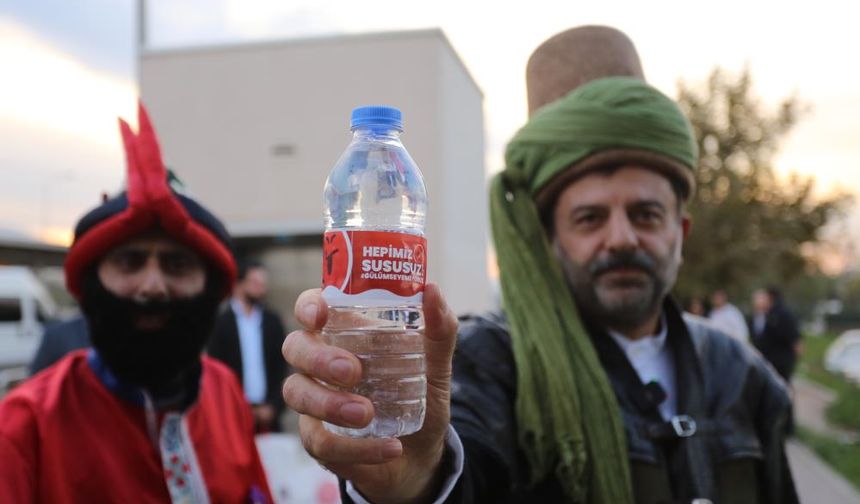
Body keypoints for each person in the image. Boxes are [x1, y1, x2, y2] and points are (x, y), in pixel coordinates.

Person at [281, 26, 798, 504]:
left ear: (680, 233)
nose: (620, 238)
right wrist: (417, 482)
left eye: (645, 213)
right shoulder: (491, 363)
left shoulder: (741, 374)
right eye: (590, 218)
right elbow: (466, 463)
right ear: (547, 237)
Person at [0, 104, 272, 503]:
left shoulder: (224, 389)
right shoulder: (24, 426)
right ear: (92, 284)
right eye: (130, 261)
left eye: (177, 264)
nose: (153, 286)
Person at [209, 260, 289, 432]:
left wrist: (274, 406)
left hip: (268, 416)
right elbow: (215, 370)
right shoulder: (221, 322)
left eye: (263, 284)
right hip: (233, 415)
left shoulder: (272, 321)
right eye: (255, 283)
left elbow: (281, 367)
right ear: (239, 284)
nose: (261, 288)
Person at [752, 286, 802, 383]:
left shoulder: (781, 314)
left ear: (770, 298)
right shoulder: (767, 314)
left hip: (780, 364)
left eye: (764, 297)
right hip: (770, 362)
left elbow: (796, 343)